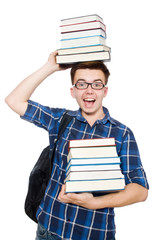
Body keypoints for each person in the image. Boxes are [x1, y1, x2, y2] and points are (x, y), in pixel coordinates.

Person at [5, 51, 149, 240]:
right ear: (73, 91)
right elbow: (14, 100)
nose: (89, 90)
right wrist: (50, 67)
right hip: (48, 230)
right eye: (81, 84)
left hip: (93, 234)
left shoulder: (122, 134)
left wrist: (94, 203)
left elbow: (140, 190)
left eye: (96, 84)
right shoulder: (60, 120)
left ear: (105, 91)